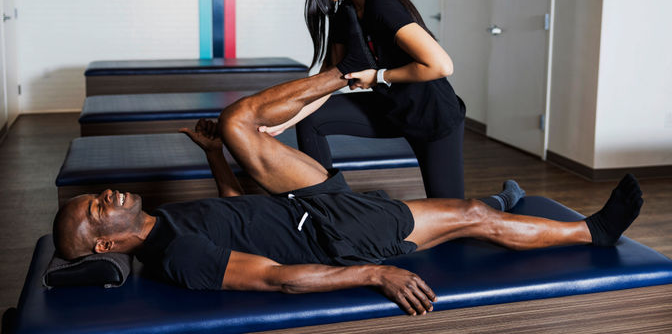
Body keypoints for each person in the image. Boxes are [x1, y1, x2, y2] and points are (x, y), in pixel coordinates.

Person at [52, 66, 643, 316]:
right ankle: (589, 231)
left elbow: (234, 216)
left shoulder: (165, 226)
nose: (106, 194)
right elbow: (273, 277)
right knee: (469, 215)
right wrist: (373, 275)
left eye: (96, 195)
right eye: (96, 208)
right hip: (336, 234)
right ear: (107, 246)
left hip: (307, 208)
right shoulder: (173, 255)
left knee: (235, 128)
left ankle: (345, 69)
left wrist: (214, 157)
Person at [258, 0, 466, 199]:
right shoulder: (345, 11)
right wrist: (287, 120)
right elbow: (328, 80)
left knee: (453, 214)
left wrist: (378, 76)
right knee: (315, 119)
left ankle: (502, 200)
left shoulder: (383, 5)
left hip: (432, 118)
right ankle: (325, 205)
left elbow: (441, 65)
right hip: (391, 110)